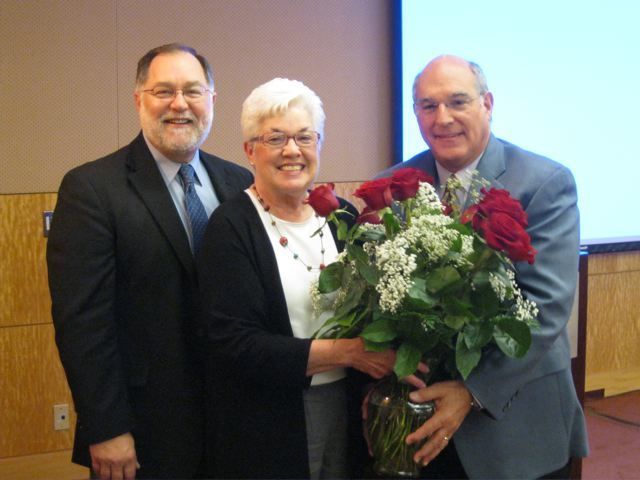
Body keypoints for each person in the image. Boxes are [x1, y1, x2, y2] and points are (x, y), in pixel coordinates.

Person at [46, 43, 253, 480]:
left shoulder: (240, 182)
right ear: (139, 100)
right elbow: (83, 323)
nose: (180, 104)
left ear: (212, 101)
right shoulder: (92, 190)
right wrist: (106, 428)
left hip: (232, 423)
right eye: (164, 91)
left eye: (193, 91)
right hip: (142, 432)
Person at [377, 55, 589, 479]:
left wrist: (472, 392)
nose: (443, 118)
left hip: (515, 426)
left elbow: (545, 307)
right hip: (423, 426)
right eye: (427, 106)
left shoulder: (544, 183)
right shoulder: (396, 184)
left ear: (487, 104)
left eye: (458, 102)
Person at [197, 78, 404, 479]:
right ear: (249, 151)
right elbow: (234, 343)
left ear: (319, 144)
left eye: (304, 137)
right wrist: (348, 351)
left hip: (348, 407)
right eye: (275, 138)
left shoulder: (343, 216)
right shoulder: (231, 226)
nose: (292, 150)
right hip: (270, 418)